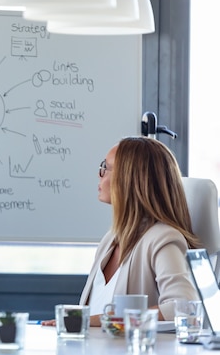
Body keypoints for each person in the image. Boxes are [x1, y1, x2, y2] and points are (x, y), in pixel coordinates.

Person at [45, 136, 200, 327]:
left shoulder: (163, 239)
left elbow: (184, 306)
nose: (99, 174)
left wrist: (92, 320)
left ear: (129, 179)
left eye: (106, 167)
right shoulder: (110, 239)